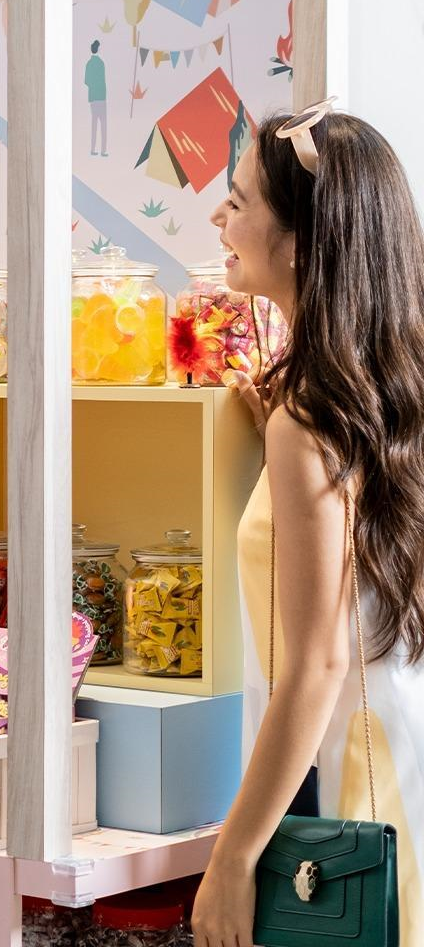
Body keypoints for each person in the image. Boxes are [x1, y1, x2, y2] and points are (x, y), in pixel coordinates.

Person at [192, 103, 424, 947]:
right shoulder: (377, 394)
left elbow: (319, 662)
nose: (220, 216)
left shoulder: (310, 421)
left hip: (359, 777)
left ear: (301, 240)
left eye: (241, 201)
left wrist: (231, 860)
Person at [85, 39, 107, 157]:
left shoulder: (88, 64)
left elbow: (86, 81)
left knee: (94, 124)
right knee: (103, 125)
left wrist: (93, 88)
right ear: (98, 49)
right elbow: (102, 81)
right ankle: (103, 150)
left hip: (93, 98)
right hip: (101, 97)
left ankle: (93, 149)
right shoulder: (101, 63)